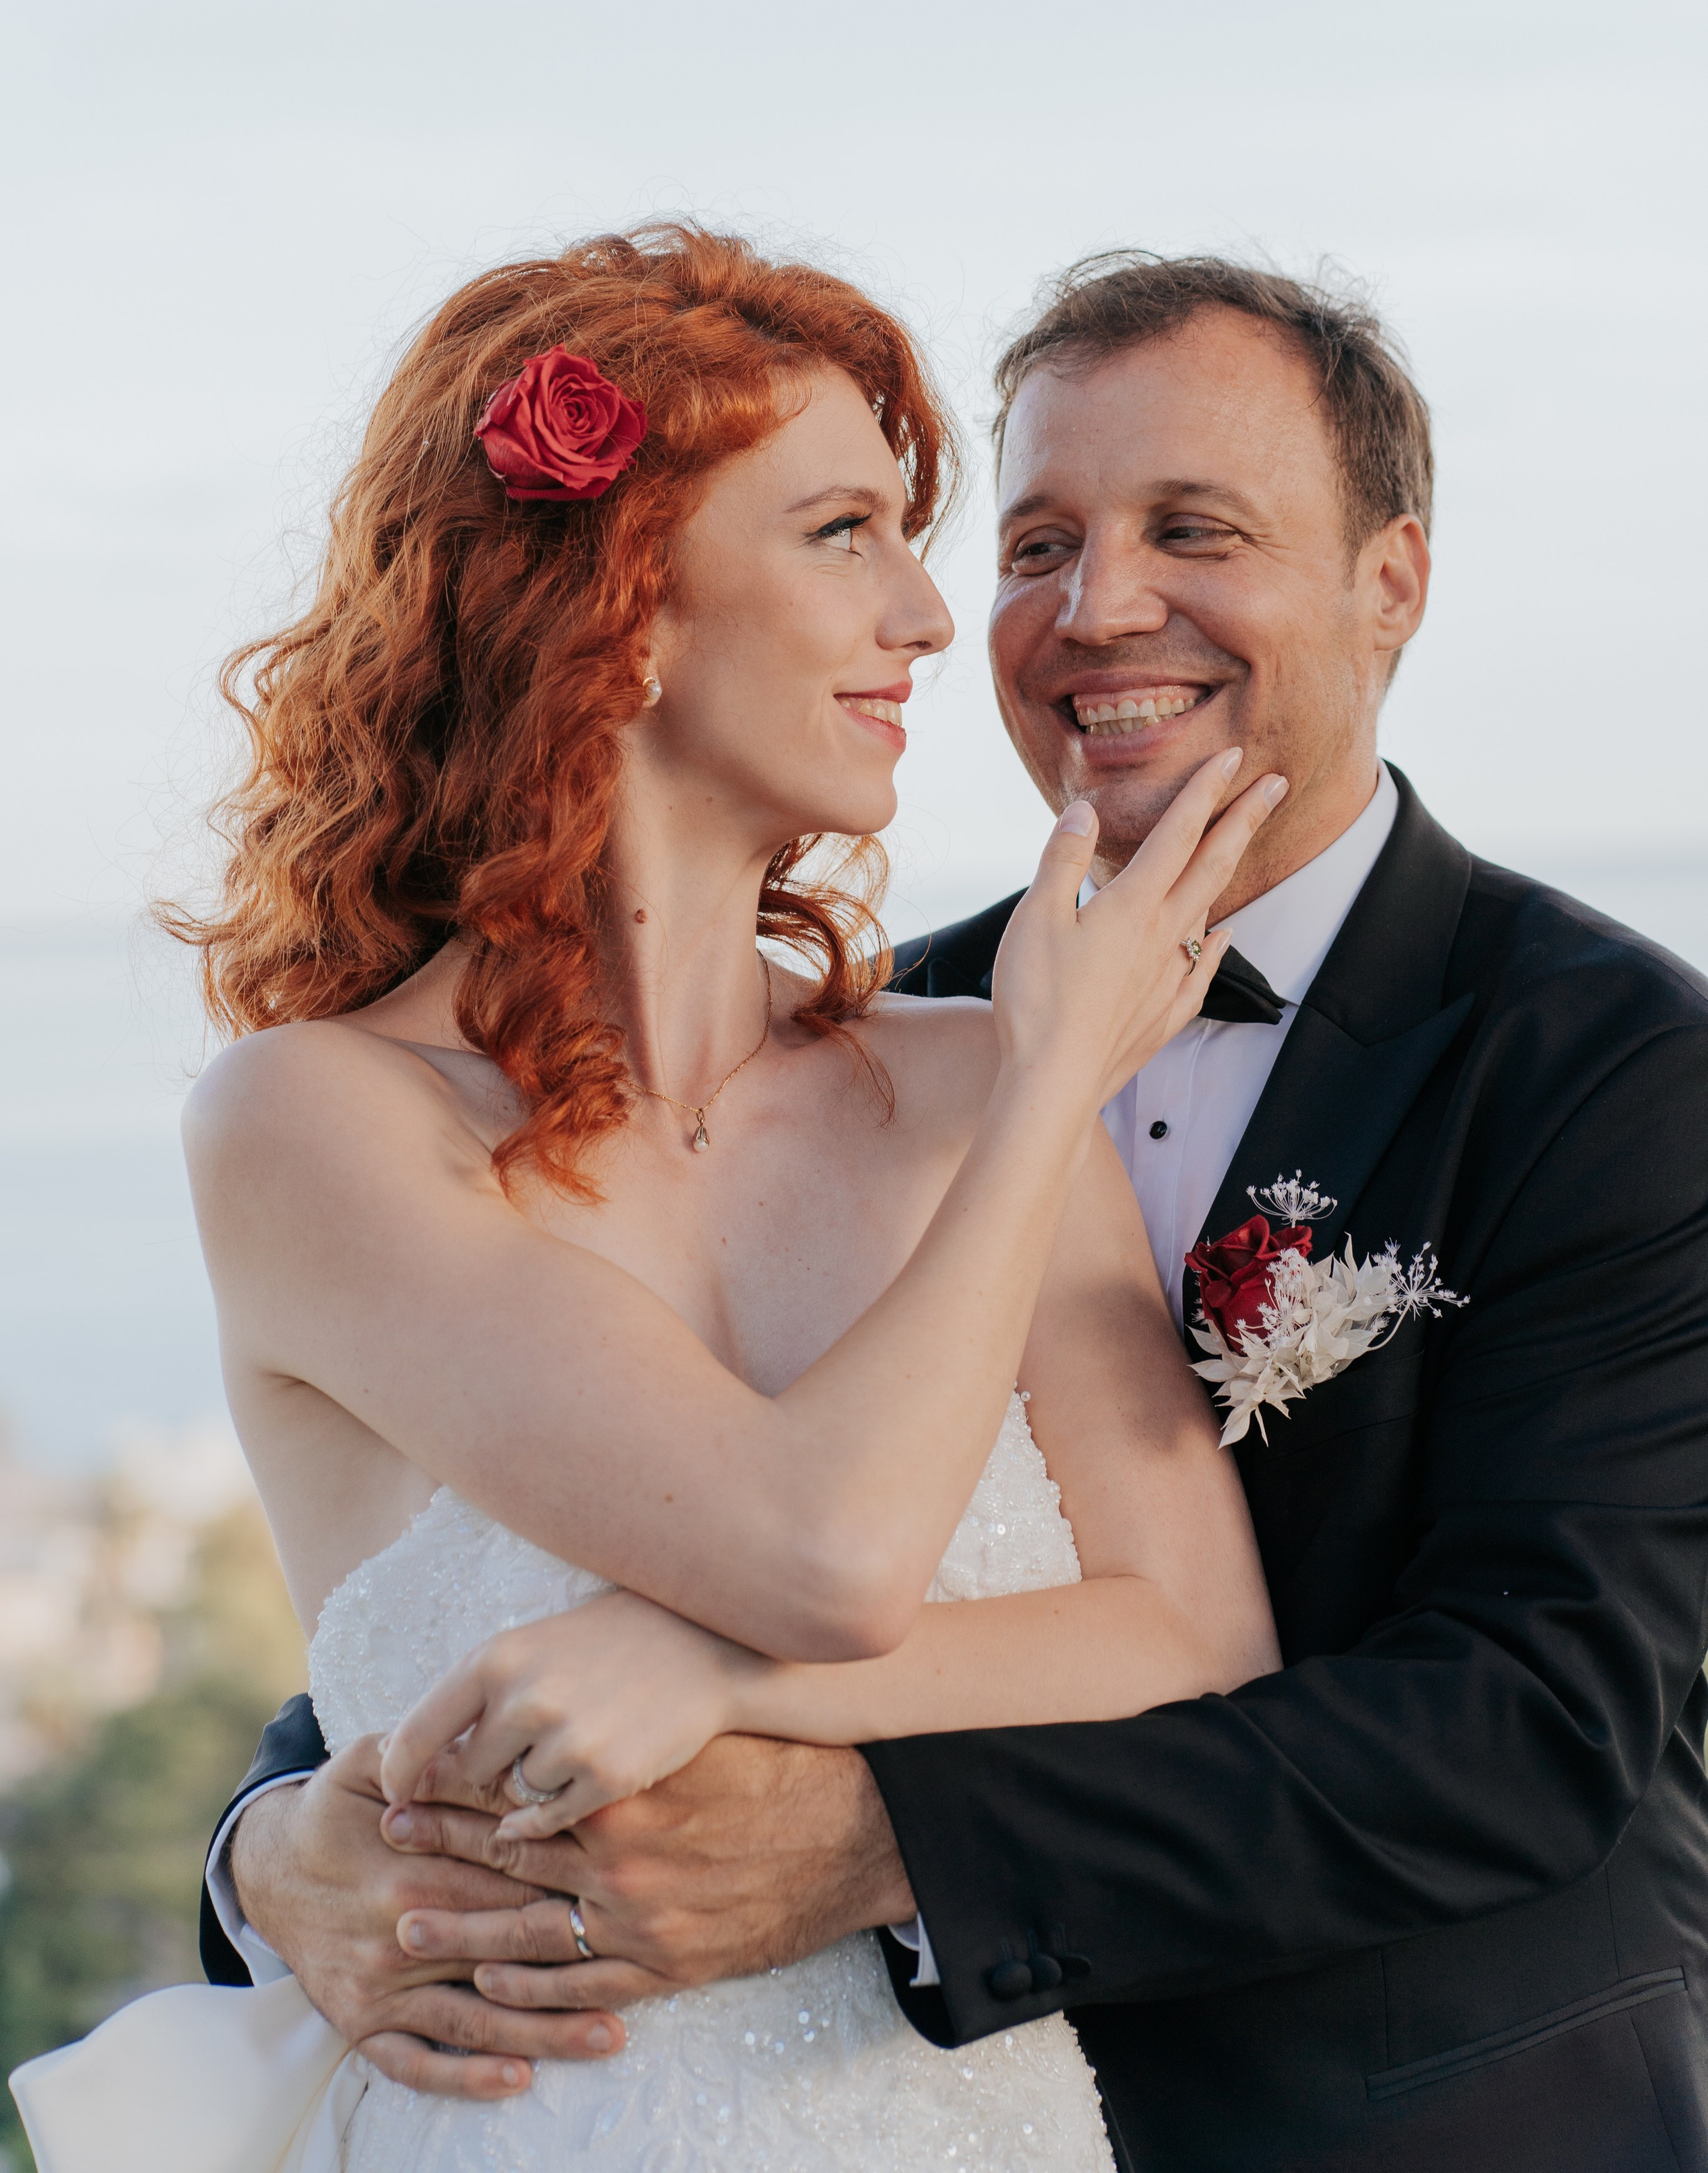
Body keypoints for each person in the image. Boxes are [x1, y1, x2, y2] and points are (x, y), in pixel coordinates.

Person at [205, 252, 1708, 2173]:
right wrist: (273, 1849)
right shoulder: (929, 1035)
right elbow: (498, 1563)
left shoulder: (1607, 1064)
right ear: (618, 612)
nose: (1091, 611)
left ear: (1390, 581)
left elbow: (1527, 1728)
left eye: (1195, 529)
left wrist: (854, 1824)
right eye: (1035, 541)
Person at [11, 228, 1293, 2173]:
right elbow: (823, 1553)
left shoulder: (959, 1077)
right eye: (844, 530)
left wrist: (697, 1668)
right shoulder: (315, 1125)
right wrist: (1059, 1087)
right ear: (621, 607)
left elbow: (1199, 1635)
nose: (933, 618)